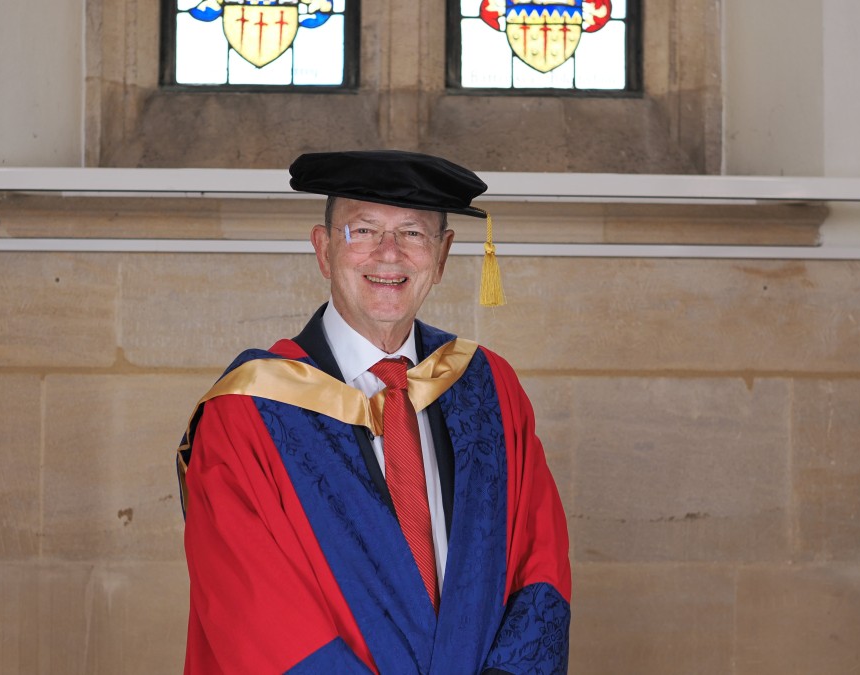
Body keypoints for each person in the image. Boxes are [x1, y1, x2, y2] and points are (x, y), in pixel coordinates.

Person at [176, 150, 571, 674]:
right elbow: (252, 609)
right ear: (323, 250)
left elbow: (540, 563)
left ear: (443, 253)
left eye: (413, 233)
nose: (389, 255)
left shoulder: (490, 389)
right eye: (362, 231)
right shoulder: (247, 412)